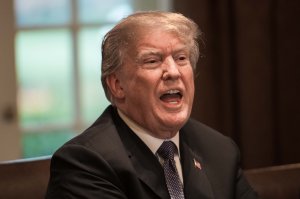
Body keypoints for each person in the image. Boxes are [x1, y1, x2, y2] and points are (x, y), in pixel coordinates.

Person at [46, 11, 258, 199]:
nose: (173, 72)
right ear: (118, 85)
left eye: (181, 58)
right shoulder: (84, 164)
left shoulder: (219, 150)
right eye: (152, 61)